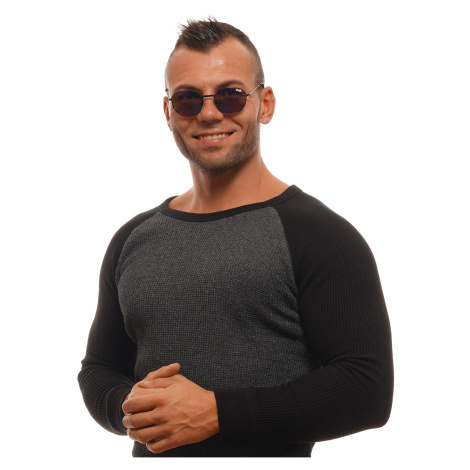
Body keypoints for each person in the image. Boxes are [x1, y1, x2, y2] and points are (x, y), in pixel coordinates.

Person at [78, 18, 394, 457]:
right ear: (168, 113)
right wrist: (127, 408)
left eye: (230, 94)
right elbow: (99, 368)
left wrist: (217, 413)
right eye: (188, 98)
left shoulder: (320, 235)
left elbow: (366, 389)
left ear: (265, 104)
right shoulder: (133, 238)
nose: (209, 113)